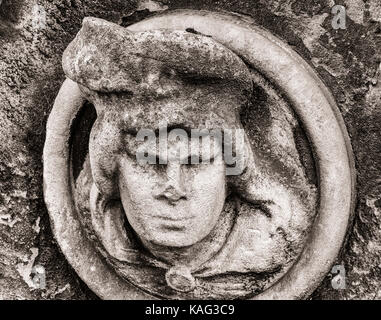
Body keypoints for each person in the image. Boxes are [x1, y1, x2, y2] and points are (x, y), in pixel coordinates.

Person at [67, 17, 316, 299]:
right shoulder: (102, 235)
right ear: (111, 170)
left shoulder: (270, 244)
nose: (174, 188)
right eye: (150, 162)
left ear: (231, 172)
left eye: (196, 162)